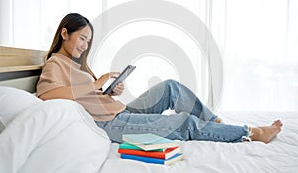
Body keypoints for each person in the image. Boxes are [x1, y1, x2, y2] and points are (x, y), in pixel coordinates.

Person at [36, 13, 283, 144]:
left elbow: (87, 97)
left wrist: (109, 90)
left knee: (171, 88)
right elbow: (47, 96)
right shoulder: (54, 64)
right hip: (111, 124)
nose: (85, 45)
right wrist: (96, 84)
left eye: (88, 41)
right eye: (82, 38)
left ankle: (215, 121)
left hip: (119, 111)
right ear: (65, 33)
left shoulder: (76, 66)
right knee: (183, 123)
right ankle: (251, 132)